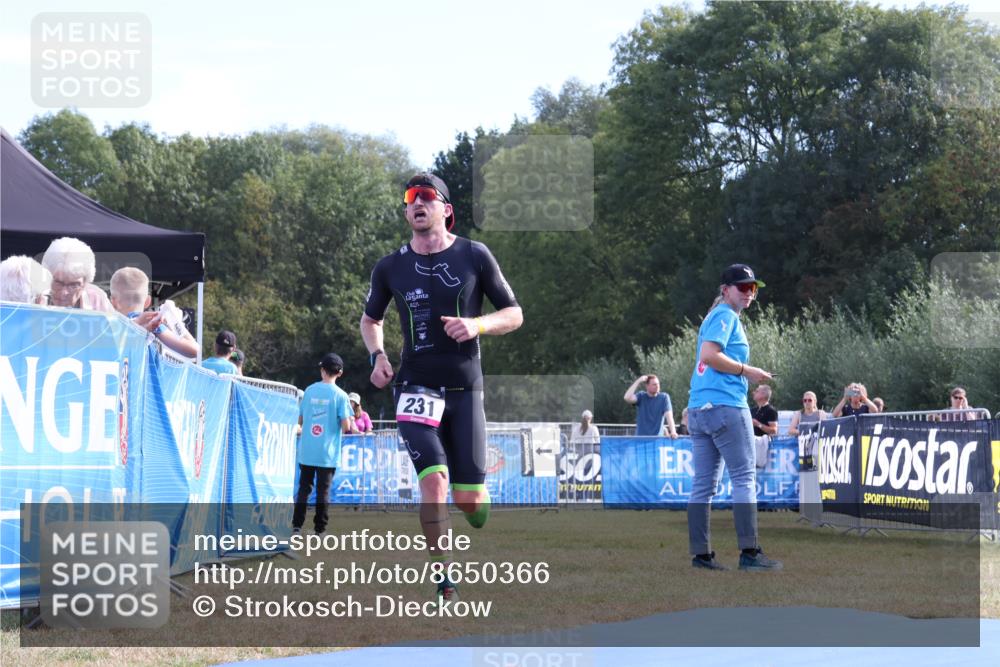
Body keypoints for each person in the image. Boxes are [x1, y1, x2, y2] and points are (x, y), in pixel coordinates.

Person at [360, 172, 522, 601]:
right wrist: (377, 356)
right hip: (416, 386)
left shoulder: (475, 255)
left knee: (470, 502)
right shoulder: (390, 266)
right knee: (433, 481)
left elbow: (515, 313)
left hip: (466, 390)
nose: (416, 204)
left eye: (426, 197)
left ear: (445, 210)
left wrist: (477, 324)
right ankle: (444, 577)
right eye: (410, 198)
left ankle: (472, 500)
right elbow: (370, 320)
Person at [686, 263, 782, 571]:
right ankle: (750, 553)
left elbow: (705, 357)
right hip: (725, 405)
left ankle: (701, 555)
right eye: (743, 287)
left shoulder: (713, 317)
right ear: (725, 290)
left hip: (699, 409)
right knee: (744, 478)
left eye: (753, 288)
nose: (749, 293)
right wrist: (747, 371)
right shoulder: (726, 315)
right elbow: (709, 356)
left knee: (702, 485)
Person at [293, 353, 353, 535]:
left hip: (307, 450)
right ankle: (320, 529)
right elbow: (346, 427)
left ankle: (296, 526)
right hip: (327, 453)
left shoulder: (309, 390)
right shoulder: (341, 396)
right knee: (323, 492)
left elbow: (300, 419)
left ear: (322, 370)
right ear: (340, 373)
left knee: (304, 489)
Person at [109, 267, 199, 359]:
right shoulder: (151, 322)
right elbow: (194, 350)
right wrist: (176, 322)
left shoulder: (109, 327)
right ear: (148, 301)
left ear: (113, 301)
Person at [40, 237, 114, 312]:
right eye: (58, 283)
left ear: (85, 283)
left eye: (73, 285)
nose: (64, 292)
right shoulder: (32, 299)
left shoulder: (96, 300)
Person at [750, 385, 778, 469]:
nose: (753, 392)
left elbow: (774, 430)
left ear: (763, 395)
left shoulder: (771, 411)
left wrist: (758, 424)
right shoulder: (752, 410)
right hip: (752, 445)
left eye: (757, 391)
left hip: (764, 448)